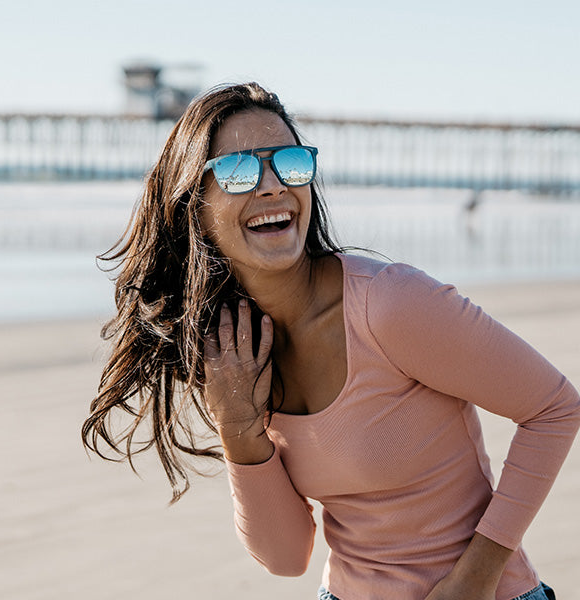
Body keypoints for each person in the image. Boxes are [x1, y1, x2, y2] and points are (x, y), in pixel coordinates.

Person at [82, 82, 580, 600]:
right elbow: (286, 558)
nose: (273, 186)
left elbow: (555, 408)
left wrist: (474, 580)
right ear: (195, 204)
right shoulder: (233, 351)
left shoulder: (388, 305)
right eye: (237, 171)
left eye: (290, 163)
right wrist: (239, 431)